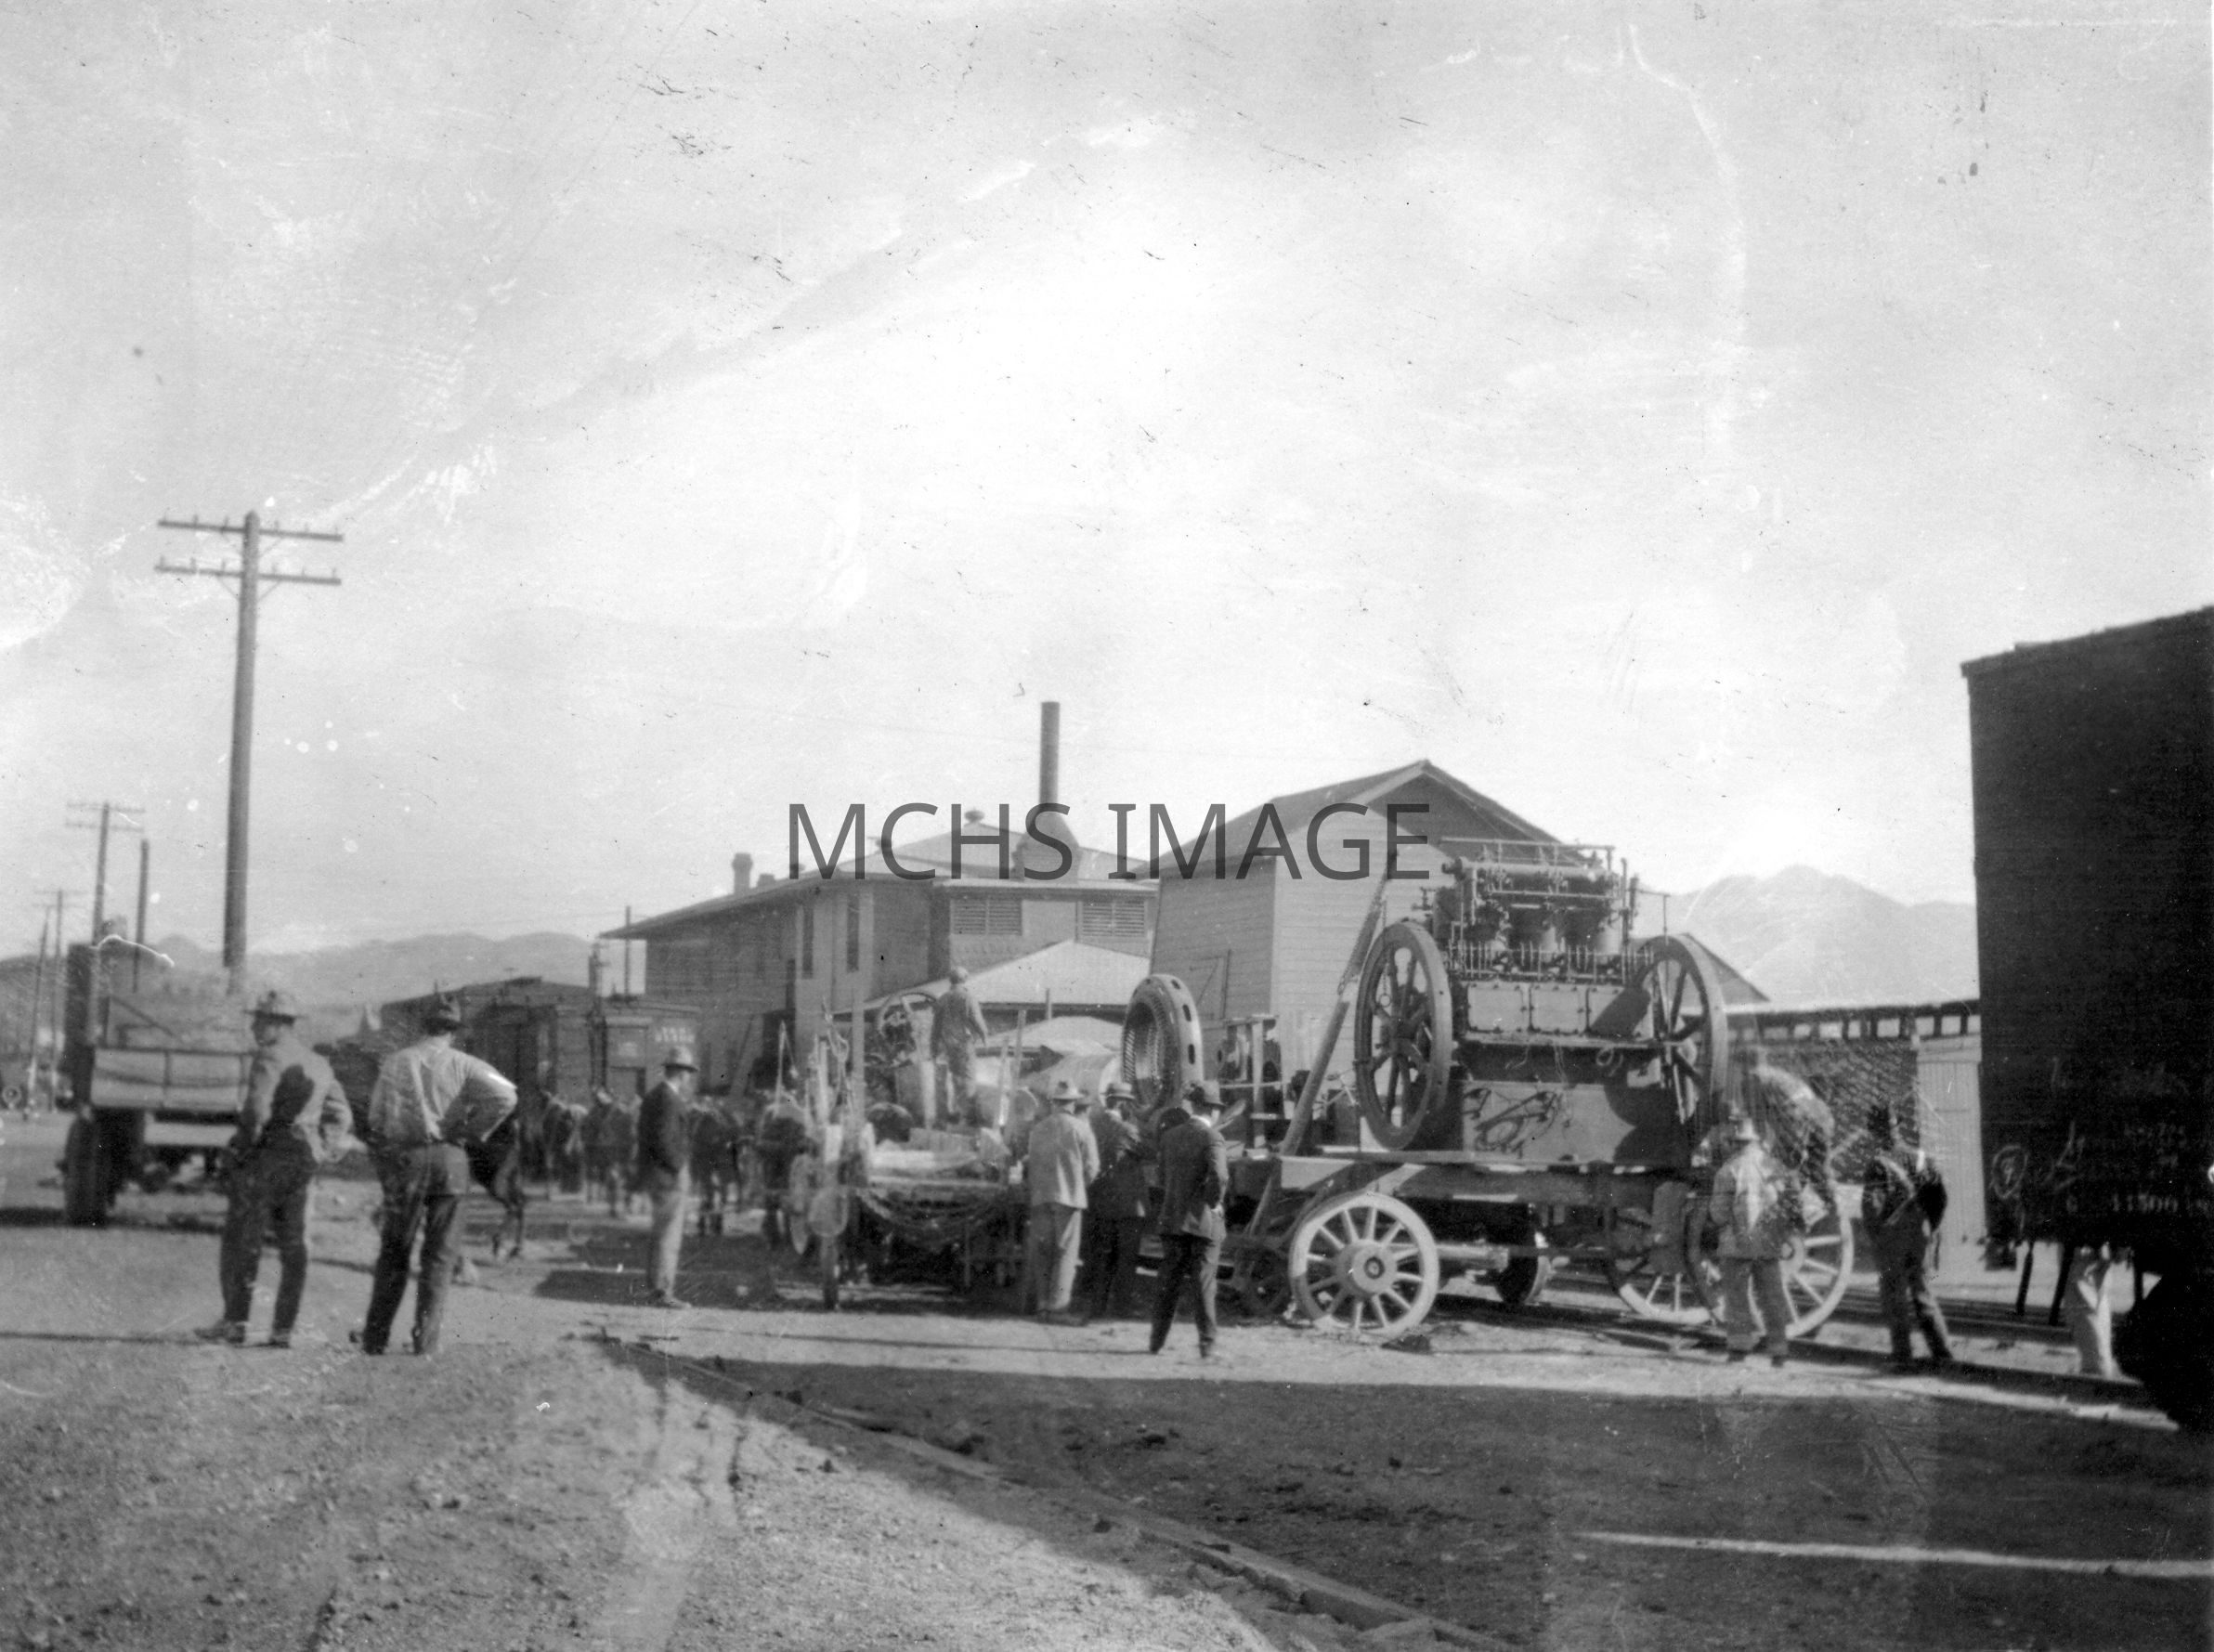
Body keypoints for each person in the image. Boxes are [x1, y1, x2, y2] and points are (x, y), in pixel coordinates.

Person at [358, 995, 517, 1357]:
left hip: (406, 1160)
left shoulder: (396, 1062)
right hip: (450, 1161)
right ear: (453, 1032)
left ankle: (375, 1338)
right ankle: (425, 1342)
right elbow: (507, 1096)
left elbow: (375, 1118)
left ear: (422, 1026)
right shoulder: (466, 1064)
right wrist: (472, 1130)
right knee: (441, 1256)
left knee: (394, 1251)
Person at [197, 991, 350, 1348]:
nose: (253, 1027)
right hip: (302, 1162)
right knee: (295, 1246)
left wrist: (241, 1150)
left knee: (243, 1241)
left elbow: (256, 1112)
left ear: (278, 1024)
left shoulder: (269, 1057)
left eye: (259, 1020)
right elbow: (342, 1114)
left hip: (266, 1159)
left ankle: (235, 1322)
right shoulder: (319, 1063)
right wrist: (322, 1149)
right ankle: (284, 1329)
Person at [1862, 1102, 1957, 1372]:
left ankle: (1903, 1357)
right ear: (1898, 1127)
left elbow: (1872, 1209)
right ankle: (1943, 1354)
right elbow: (1940, 1198)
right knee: (1923, 1293)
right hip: (1920, 1234)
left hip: (1893, 1237)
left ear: (1874, 1132)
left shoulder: (1878, 1164)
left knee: (1894, 1297)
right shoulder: (1922, 1158)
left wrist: (1877, 1238)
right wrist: (1930, 1227)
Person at [1151, 1081, 1229, 1359]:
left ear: (1193, 1106)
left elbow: (1161, 1178)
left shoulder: (1170, 1136)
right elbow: (1219, 1177)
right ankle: (1207, 1346)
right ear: (1213, 1110)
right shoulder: (1212, 1137)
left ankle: (1156, 1342)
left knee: (1167, 1283)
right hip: (1203, 1222)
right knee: (1204, 1284)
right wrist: (1214, 1203)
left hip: (1173, 1220)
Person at [1710, 1112, 1792, 1368]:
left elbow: (1719, 1213)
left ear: (1736, 1143)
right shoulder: (1775, 1167)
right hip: (1768, 1245)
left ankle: (1739, 1350)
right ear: (1759, 1141)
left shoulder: (1728, 1170)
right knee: (1772, 1298)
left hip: (1735, 1246)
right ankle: (1779, 1351)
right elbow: (1789, 1205)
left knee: (1737, 1298)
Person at [1023, 1079, 1100, 1321]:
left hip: (1041, 1196)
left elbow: (1030, 1162)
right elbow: (1092, 1167)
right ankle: (1058, 1307)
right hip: (1069, 1197)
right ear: (1073, 1103)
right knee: (1065, 1253)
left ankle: (1042, 1304)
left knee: (1043, 1251)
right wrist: (1078, 1185)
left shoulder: (1038, 1128)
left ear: (1054, 1103)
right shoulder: (1081, 1128)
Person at [1742, 1047, 1836, 1222]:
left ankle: (1795, 1218)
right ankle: (1834, 1209)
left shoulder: (1753, 1077)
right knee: (1818, 1168)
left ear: (1743, 1064)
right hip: (1821, 1115)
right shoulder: (1779, 1075)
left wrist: (1760, 1146)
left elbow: (1757, 1119)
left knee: (1787, 1168)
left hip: (1797, 1119)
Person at [635, 1048, 697, 1307]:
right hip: (668, 1176)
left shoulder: (654, 1096)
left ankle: (655, 1288)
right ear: (681, 1074)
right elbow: (663, 1140)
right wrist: (678, 1166)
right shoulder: (669, 1100)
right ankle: (662, 1292)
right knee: (669, 1235)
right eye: (688, 1073)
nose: (689, 1079)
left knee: (660, 1232)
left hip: (656, 1173)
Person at [1084, 1081, 1151, 1320]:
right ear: (1123, 1104)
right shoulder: (1127, 1129)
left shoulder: (1092, 1125)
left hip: (1100, 1202)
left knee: (1103, 1257)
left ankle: (1098, 1306)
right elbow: (1150, 1151)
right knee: (1126, 1259)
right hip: (1127, 1205)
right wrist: (1142, 1121)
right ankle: (1122, 1307)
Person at [931, 966, 991, 1125]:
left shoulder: (942, 999)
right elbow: (976, 1019)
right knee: (968, 1078)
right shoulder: (967, 997)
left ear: (950, 980)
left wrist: (933, 1050)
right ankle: (968, 1117)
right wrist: (985, 1037)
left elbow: (935, 1028)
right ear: (965, 979)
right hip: (964, 1044)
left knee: (956, 1079)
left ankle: (959, 1114)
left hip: (948, 1046)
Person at [754, 1088, 813, 1248]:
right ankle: (787, 1236)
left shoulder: (771, 1113)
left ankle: (774, 1237)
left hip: (775, 1163)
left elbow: (761, 1141)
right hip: (788, 1163)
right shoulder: (800, 1115)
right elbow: (806, 1140)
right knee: (788, 1198)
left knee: (773, 1200)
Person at [2065, 1244, 2120, 1380]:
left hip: (2086, 1268)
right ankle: (2097, 1368)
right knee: (2086, 1313)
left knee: (2086, 1313)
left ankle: (2096, 1370)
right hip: (2087, 1267)